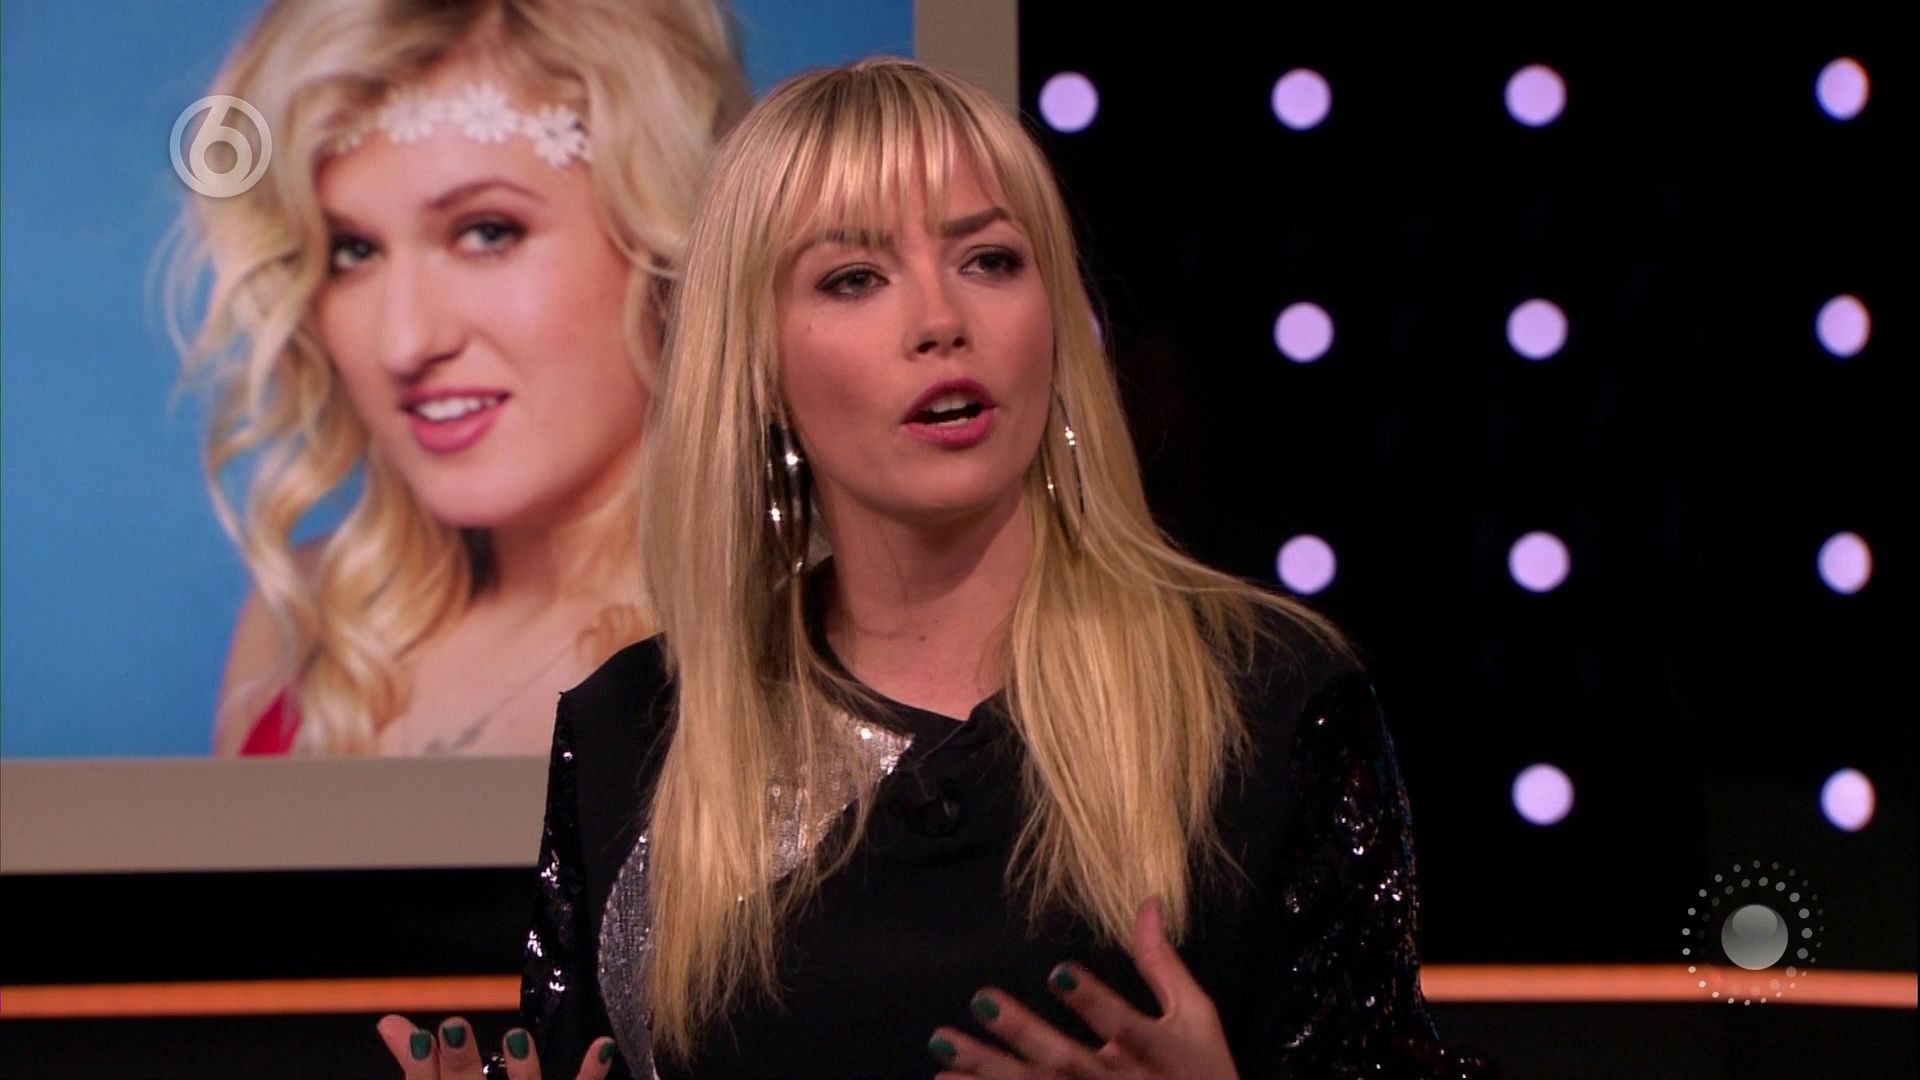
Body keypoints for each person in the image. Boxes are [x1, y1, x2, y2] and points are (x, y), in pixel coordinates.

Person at [386, 57, 1498, 1078]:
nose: (940, 319)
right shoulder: (633, 732)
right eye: (854, 277)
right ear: (757, 365)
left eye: (990, 261)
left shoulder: (1264, 702)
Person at [167, 0, 748, 756]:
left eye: (486, 232)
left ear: (669, 245)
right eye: (351, 252)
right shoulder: (304, 631)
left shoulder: (799, 640)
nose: (405, 343)